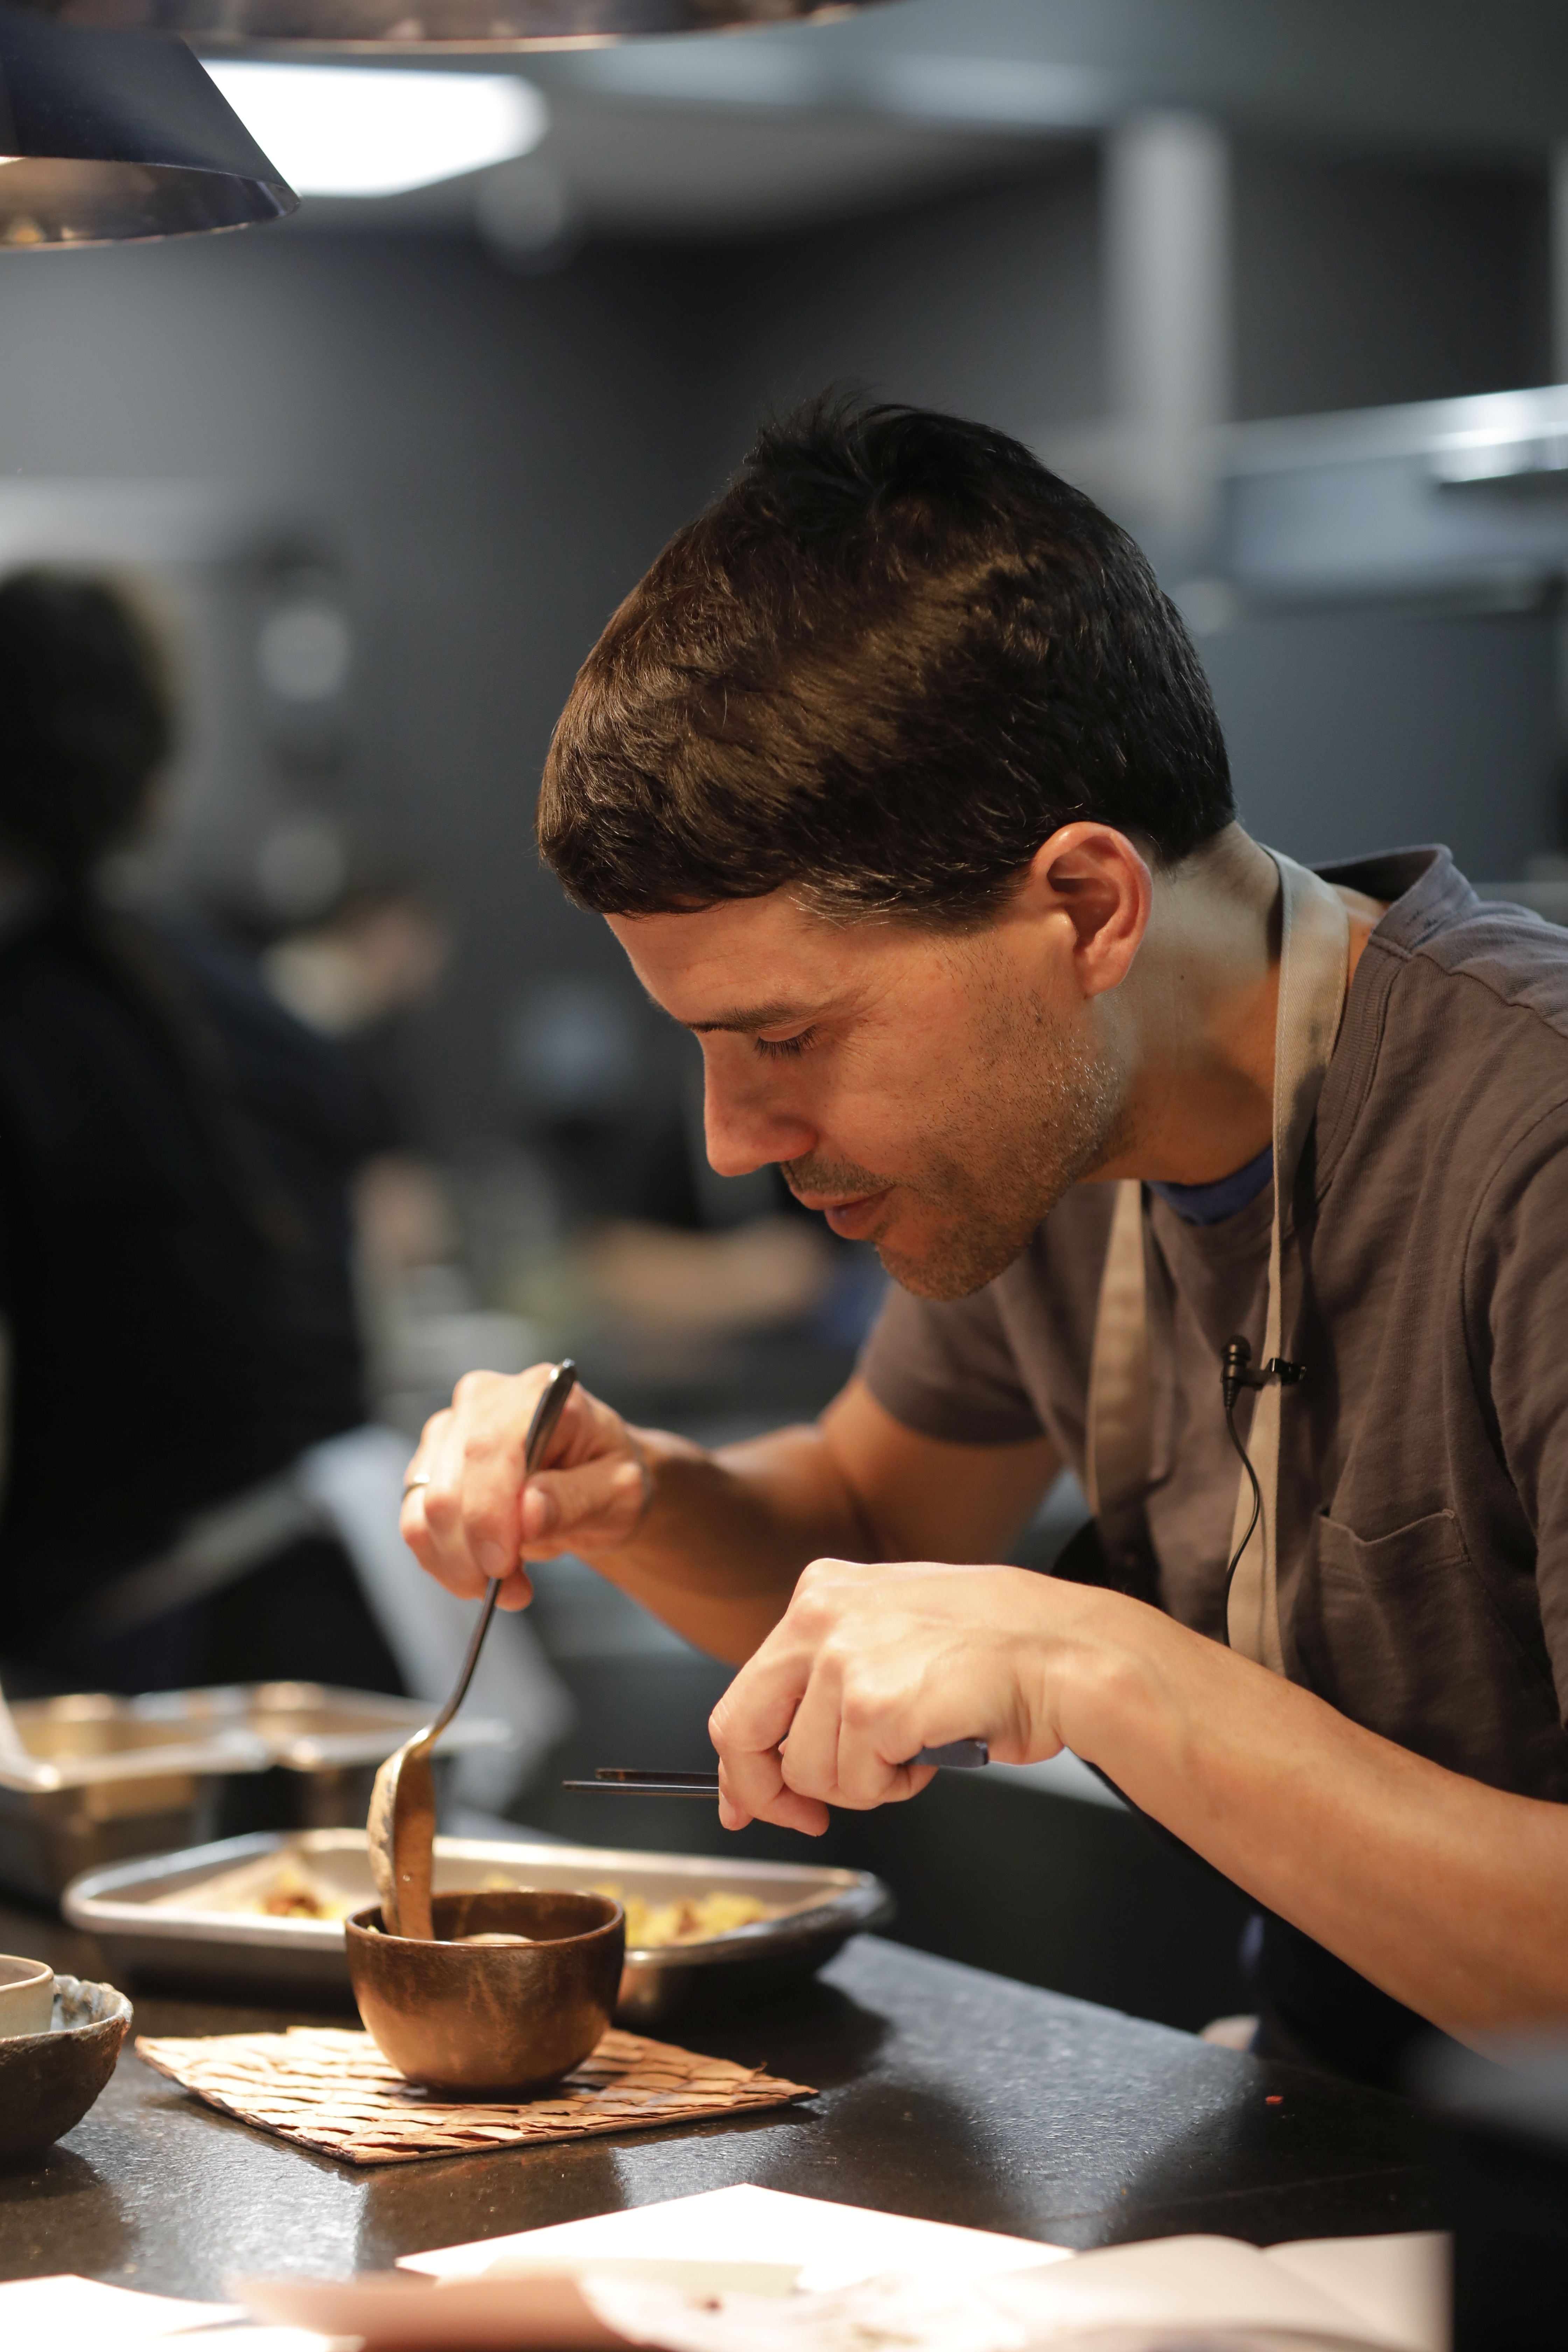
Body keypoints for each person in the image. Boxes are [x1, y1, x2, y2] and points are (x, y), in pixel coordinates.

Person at [401, 396, 1568, 2088]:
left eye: (789, 1039)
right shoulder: (1047, 1146)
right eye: (702, 1047)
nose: (731, 1139)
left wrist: (1094, 1658)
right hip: (1329, 2116)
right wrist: (639, 1495)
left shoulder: (1525, 1143)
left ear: (1088, 908)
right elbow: (870, 1526)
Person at [0, 569, 399, 1697]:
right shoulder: (261, 1012)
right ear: (156, 783)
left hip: (135, 1674)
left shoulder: (35, 1023)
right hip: (334, 1617)